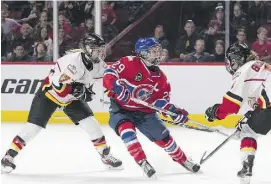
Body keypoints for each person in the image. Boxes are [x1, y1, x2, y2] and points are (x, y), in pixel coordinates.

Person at [1, 33, 123, 174]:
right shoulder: (72, 61)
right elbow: (57, 84)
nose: (101, 53)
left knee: (92, 124)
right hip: (49, 95)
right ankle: (8, 156)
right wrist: (77, 90)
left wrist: (113, 88)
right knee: (33, 128)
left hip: (71, 99)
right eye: (97, 49)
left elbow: (107, 80)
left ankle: (105, 155)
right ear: (88, 49)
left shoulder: (100, 65)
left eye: (101, 49)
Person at [103, 37, 200, 178]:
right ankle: (141, 160)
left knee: (165, 138)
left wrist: (173, 111)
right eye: (154, 51)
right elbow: (109, 73)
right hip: (121, 109)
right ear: (143, 53)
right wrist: (116, 87)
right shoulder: (129, 62)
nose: (158, 54)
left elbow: (161, 103)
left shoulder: (161, 78)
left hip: (144, 113)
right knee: (127, 130)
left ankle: (183, 159)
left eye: (158, 51)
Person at [204, 43, 271, 184]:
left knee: (248, 131)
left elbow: (231, 105)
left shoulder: (245, 69)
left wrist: (215, 112)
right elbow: (258, 99)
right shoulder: (261, 66)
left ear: (235, 59)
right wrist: (250, 114)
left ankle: (246, 168)